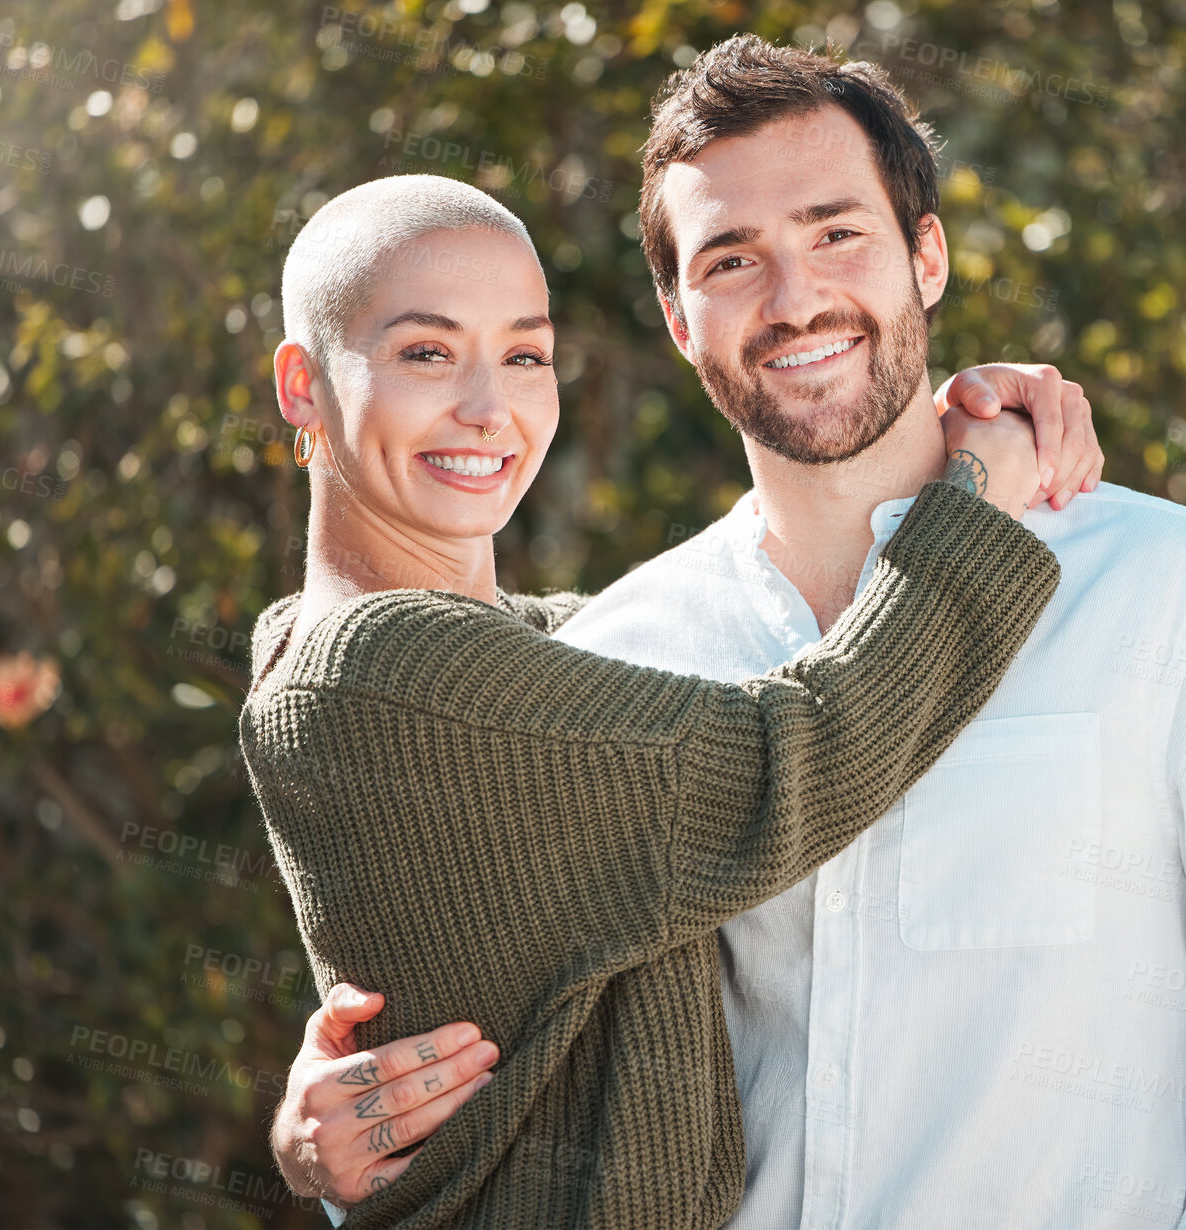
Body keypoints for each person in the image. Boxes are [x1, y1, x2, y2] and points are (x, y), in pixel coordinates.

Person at [279, 36, 1186, 1230]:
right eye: (732, 260)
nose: (795, 300)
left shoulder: (1176, 598)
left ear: (924, 257)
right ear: (679, 320)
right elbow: (515, 1075)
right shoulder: (617, 651)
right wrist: (336, 1142)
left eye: (836, 233)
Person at [240, 172, 1085, 1227]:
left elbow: (667, 635)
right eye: (424, 352)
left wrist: (900, 407)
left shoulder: (364, 652)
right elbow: (797, 752)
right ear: (301, 385)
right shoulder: (386, 667)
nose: (486, 407)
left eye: (524, 354)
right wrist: (975, 497)